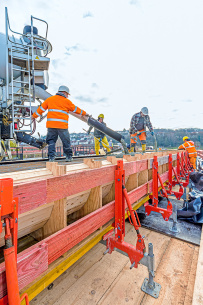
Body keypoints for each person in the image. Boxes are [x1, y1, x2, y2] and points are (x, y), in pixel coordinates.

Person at [32, 85, 89, 162]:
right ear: (65, 93)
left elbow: (41, 109)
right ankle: (68, 157)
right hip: (62, 126)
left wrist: (34, 116)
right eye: (67, 95)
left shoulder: (50, 100)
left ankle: (51, 158)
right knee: (66, 141)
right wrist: (85, 113)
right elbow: (76, 109)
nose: (67, 96)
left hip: (51, 126)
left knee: (51, 142)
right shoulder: (66, 101)